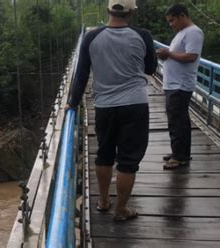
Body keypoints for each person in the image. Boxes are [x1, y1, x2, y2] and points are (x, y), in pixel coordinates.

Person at [67, 0, 156, 222]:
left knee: (104, 155)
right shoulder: (143, 35)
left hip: (105, 106)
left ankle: (104, 200)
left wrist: (73, 102)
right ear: (131, 12)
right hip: (135, 105)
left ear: (108, 10)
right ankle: (121, 209)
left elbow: (81, 75)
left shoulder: (91, 37)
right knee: (128, 161)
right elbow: (150, 69)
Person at [156, 3, 204, 170]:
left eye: (172, 20)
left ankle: (179, 157)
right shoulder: (182, 33)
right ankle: (181, 152)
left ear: (182, 16)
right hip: (174, 84)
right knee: (180, 121)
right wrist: (167, 54)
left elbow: (191, 56)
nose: (171, 24)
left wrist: (168, 53)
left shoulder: (193, 32)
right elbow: (180, 54)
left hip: (180, 85)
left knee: (176, 121)